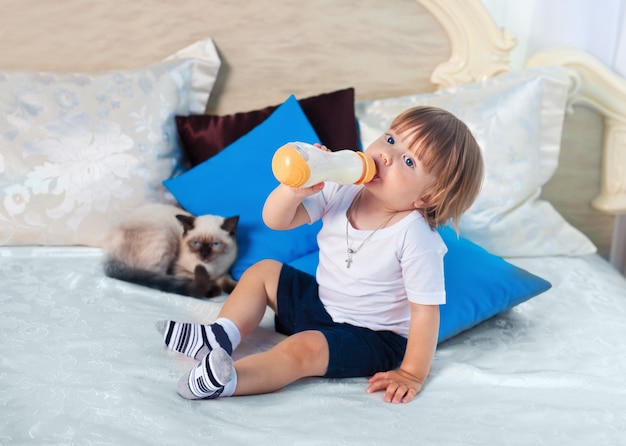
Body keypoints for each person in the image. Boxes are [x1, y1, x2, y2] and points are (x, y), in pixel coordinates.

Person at [156, 105, 484, 403]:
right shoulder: (343, 189)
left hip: (370, 336)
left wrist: (412, 372)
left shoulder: (415, 237)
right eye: (391, 139)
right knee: (263, 271)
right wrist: (295, 190)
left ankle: (227, 380)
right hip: (323, 304)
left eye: (409, 161)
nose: (386, 156)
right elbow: (276, 220)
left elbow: (426, 312)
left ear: (425, 198)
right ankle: (219, 336)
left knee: (303, 350)